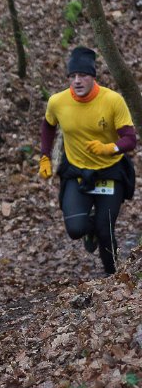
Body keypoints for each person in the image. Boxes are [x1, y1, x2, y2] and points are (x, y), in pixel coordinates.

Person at [39, 46, 136, 275]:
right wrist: (45, 156)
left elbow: (130, 139)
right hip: (77, 172)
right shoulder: (57, 102)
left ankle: (114, 277)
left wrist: (109, 148)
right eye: (72, 76)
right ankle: (90, 230)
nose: (77, 81)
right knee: (75, 229)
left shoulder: (112, 100)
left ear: (93, 76)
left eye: (82, 75)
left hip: (110, 171)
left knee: (105, 230)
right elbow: (48, 126)